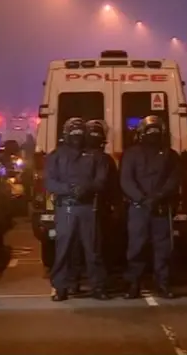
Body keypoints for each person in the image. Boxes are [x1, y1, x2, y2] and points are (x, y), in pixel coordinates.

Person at [45, 117, 110, 301]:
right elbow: (50, 182)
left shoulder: (95, 155)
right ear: (66, 134)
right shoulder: (56, 155)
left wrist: (86, 188)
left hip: (89, 208)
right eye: (73, 133)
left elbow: (101, 180)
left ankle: (98, 286)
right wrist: (69, 189)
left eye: (80, 133)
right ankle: (61, 287)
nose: (77, 137)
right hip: (66, 208)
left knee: (93, 250)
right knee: (64, 250)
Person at [120, 115, 181, 299]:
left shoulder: (171, 155)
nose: (153, 135)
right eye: (150, 131)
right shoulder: (131, 154)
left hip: (161, 208)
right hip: (139, 208)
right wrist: (141, 198)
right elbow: (126, 180)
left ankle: (163, 285)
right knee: (136, 248)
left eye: (156, 131)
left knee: (163, 249)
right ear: (141, 134)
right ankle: (133, 284)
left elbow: (174, 179)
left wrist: (158, 197)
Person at [66, 119, 121, 293]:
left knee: (92, 248)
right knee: (90, 248)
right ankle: (87, 283)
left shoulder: (99, 159)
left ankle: (90, 283)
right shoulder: (94, 158)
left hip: (96, 208)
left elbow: (112, 185)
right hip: (90, 208)